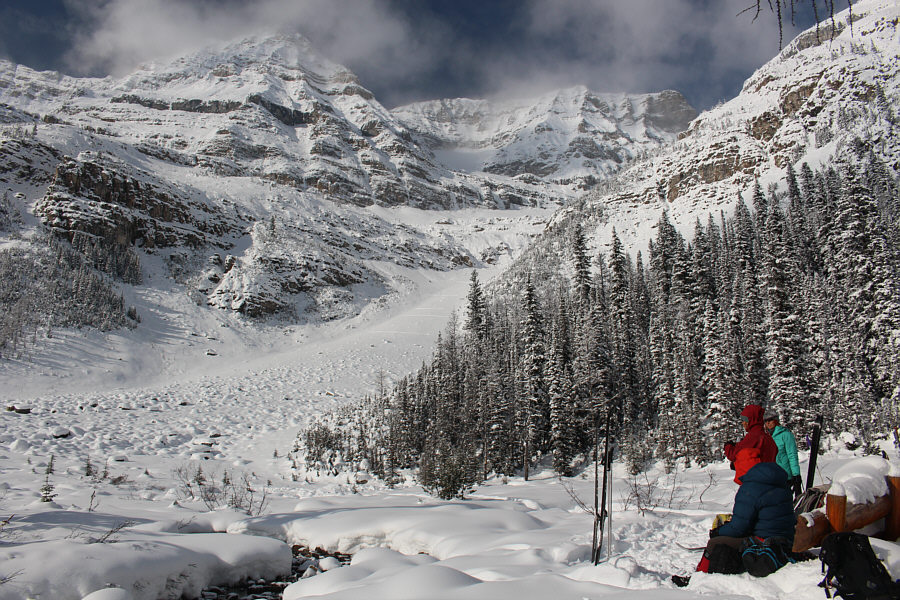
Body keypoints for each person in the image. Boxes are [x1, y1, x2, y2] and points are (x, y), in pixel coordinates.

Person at [671, 447, 796, 587]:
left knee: (715, 543)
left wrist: (719, 532)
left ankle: (698, 579)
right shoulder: (778, 480)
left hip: (764, 542)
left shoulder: (751, 487)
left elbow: (739, 527)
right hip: (786, 539)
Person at [723, 404, 778, 483]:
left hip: (757, 481)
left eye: (745, 420)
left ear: (752, 420)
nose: (743, 423)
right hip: (770, 480)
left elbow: (733, 454)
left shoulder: (753, 436)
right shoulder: (767, 437)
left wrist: (728, 446)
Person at [764, 411, 803, 499]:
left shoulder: (785, 434)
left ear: (776, 420)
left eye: (770, 420)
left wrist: (796, 474)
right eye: (765, 421)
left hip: (785, 475)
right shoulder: (766, 437)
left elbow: (792, 455)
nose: (768, 423)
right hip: (771, 476)